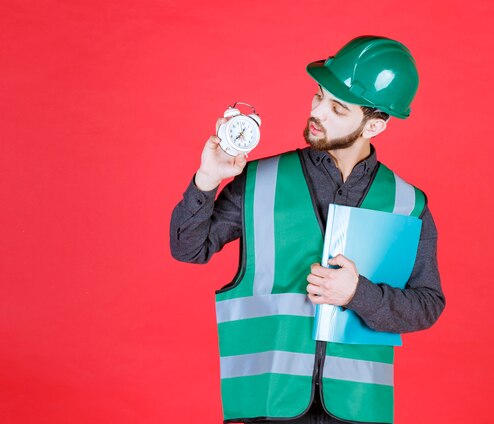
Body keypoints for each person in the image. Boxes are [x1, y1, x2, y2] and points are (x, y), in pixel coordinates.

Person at [170, 36, 445, 424]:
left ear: (375, 125)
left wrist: (357, 294)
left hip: (357, 409)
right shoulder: (259, 180)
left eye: (337, 108)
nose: (318, 113)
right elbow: (188, 248)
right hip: (265, 406)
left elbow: (428, 304)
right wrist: (206, 179)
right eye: (319, 97)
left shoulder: (407, 204)